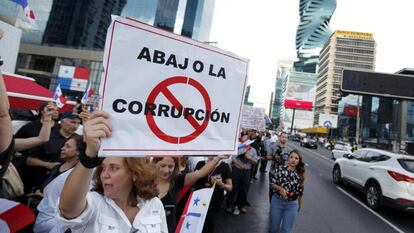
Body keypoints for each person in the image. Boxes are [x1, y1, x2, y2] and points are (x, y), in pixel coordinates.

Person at [58, 111, 168, 233]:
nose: (104, 175)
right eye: (103, 168)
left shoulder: (154, 204)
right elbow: (68, 209)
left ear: (135, 174)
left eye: (114, 168)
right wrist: (89, 156)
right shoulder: (95, 203)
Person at [153, 154, 227, 233]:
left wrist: (216, 159)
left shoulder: (177, 180)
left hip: (169, 229)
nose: (166, 170)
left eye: (170, 167)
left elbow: (200, 173)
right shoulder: (145, 181)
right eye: (163, 165)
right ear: (154, 164)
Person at [34, 135, 82, 233]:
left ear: (78, 152)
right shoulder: (57, 167)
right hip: (42, 209)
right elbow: (45, 187)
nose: (62, 148)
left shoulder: (78, 175)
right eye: (64, 145)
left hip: (56, 217)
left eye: (68, 146)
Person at [268, 150, 305, 233]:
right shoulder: (280, 169)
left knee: (286, 230)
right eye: (291, 157)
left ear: (299, 161)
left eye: (296, 158)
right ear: (288, 158)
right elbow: (272, 183)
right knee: (273, 228)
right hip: (277, 202)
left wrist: (299, 206)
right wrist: (280, 189)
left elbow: (300, 193)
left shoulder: (300, 174)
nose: (293, 160)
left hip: (292, 205)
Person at [194, 156, 232, 233]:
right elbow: (192, 183)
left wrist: (221, 184)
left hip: (214, 201)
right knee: (196, 225)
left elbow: (230, 187)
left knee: (210, 225)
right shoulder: (200, 164)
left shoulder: (224, 166)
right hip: (198, 201)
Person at [226, 135, 258, 215]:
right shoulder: (238, 148)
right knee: (233, 187)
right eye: (244, 139)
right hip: (236, 170)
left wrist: (250, 158)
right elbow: (233, 158)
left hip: (247, 172)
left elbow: (256, 161)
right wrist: (241, 165)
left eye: (247, 139)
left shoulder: (253, 150)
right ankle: (229, 205)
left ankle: (241, 205)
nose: (245, 141)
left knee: (244, 189)